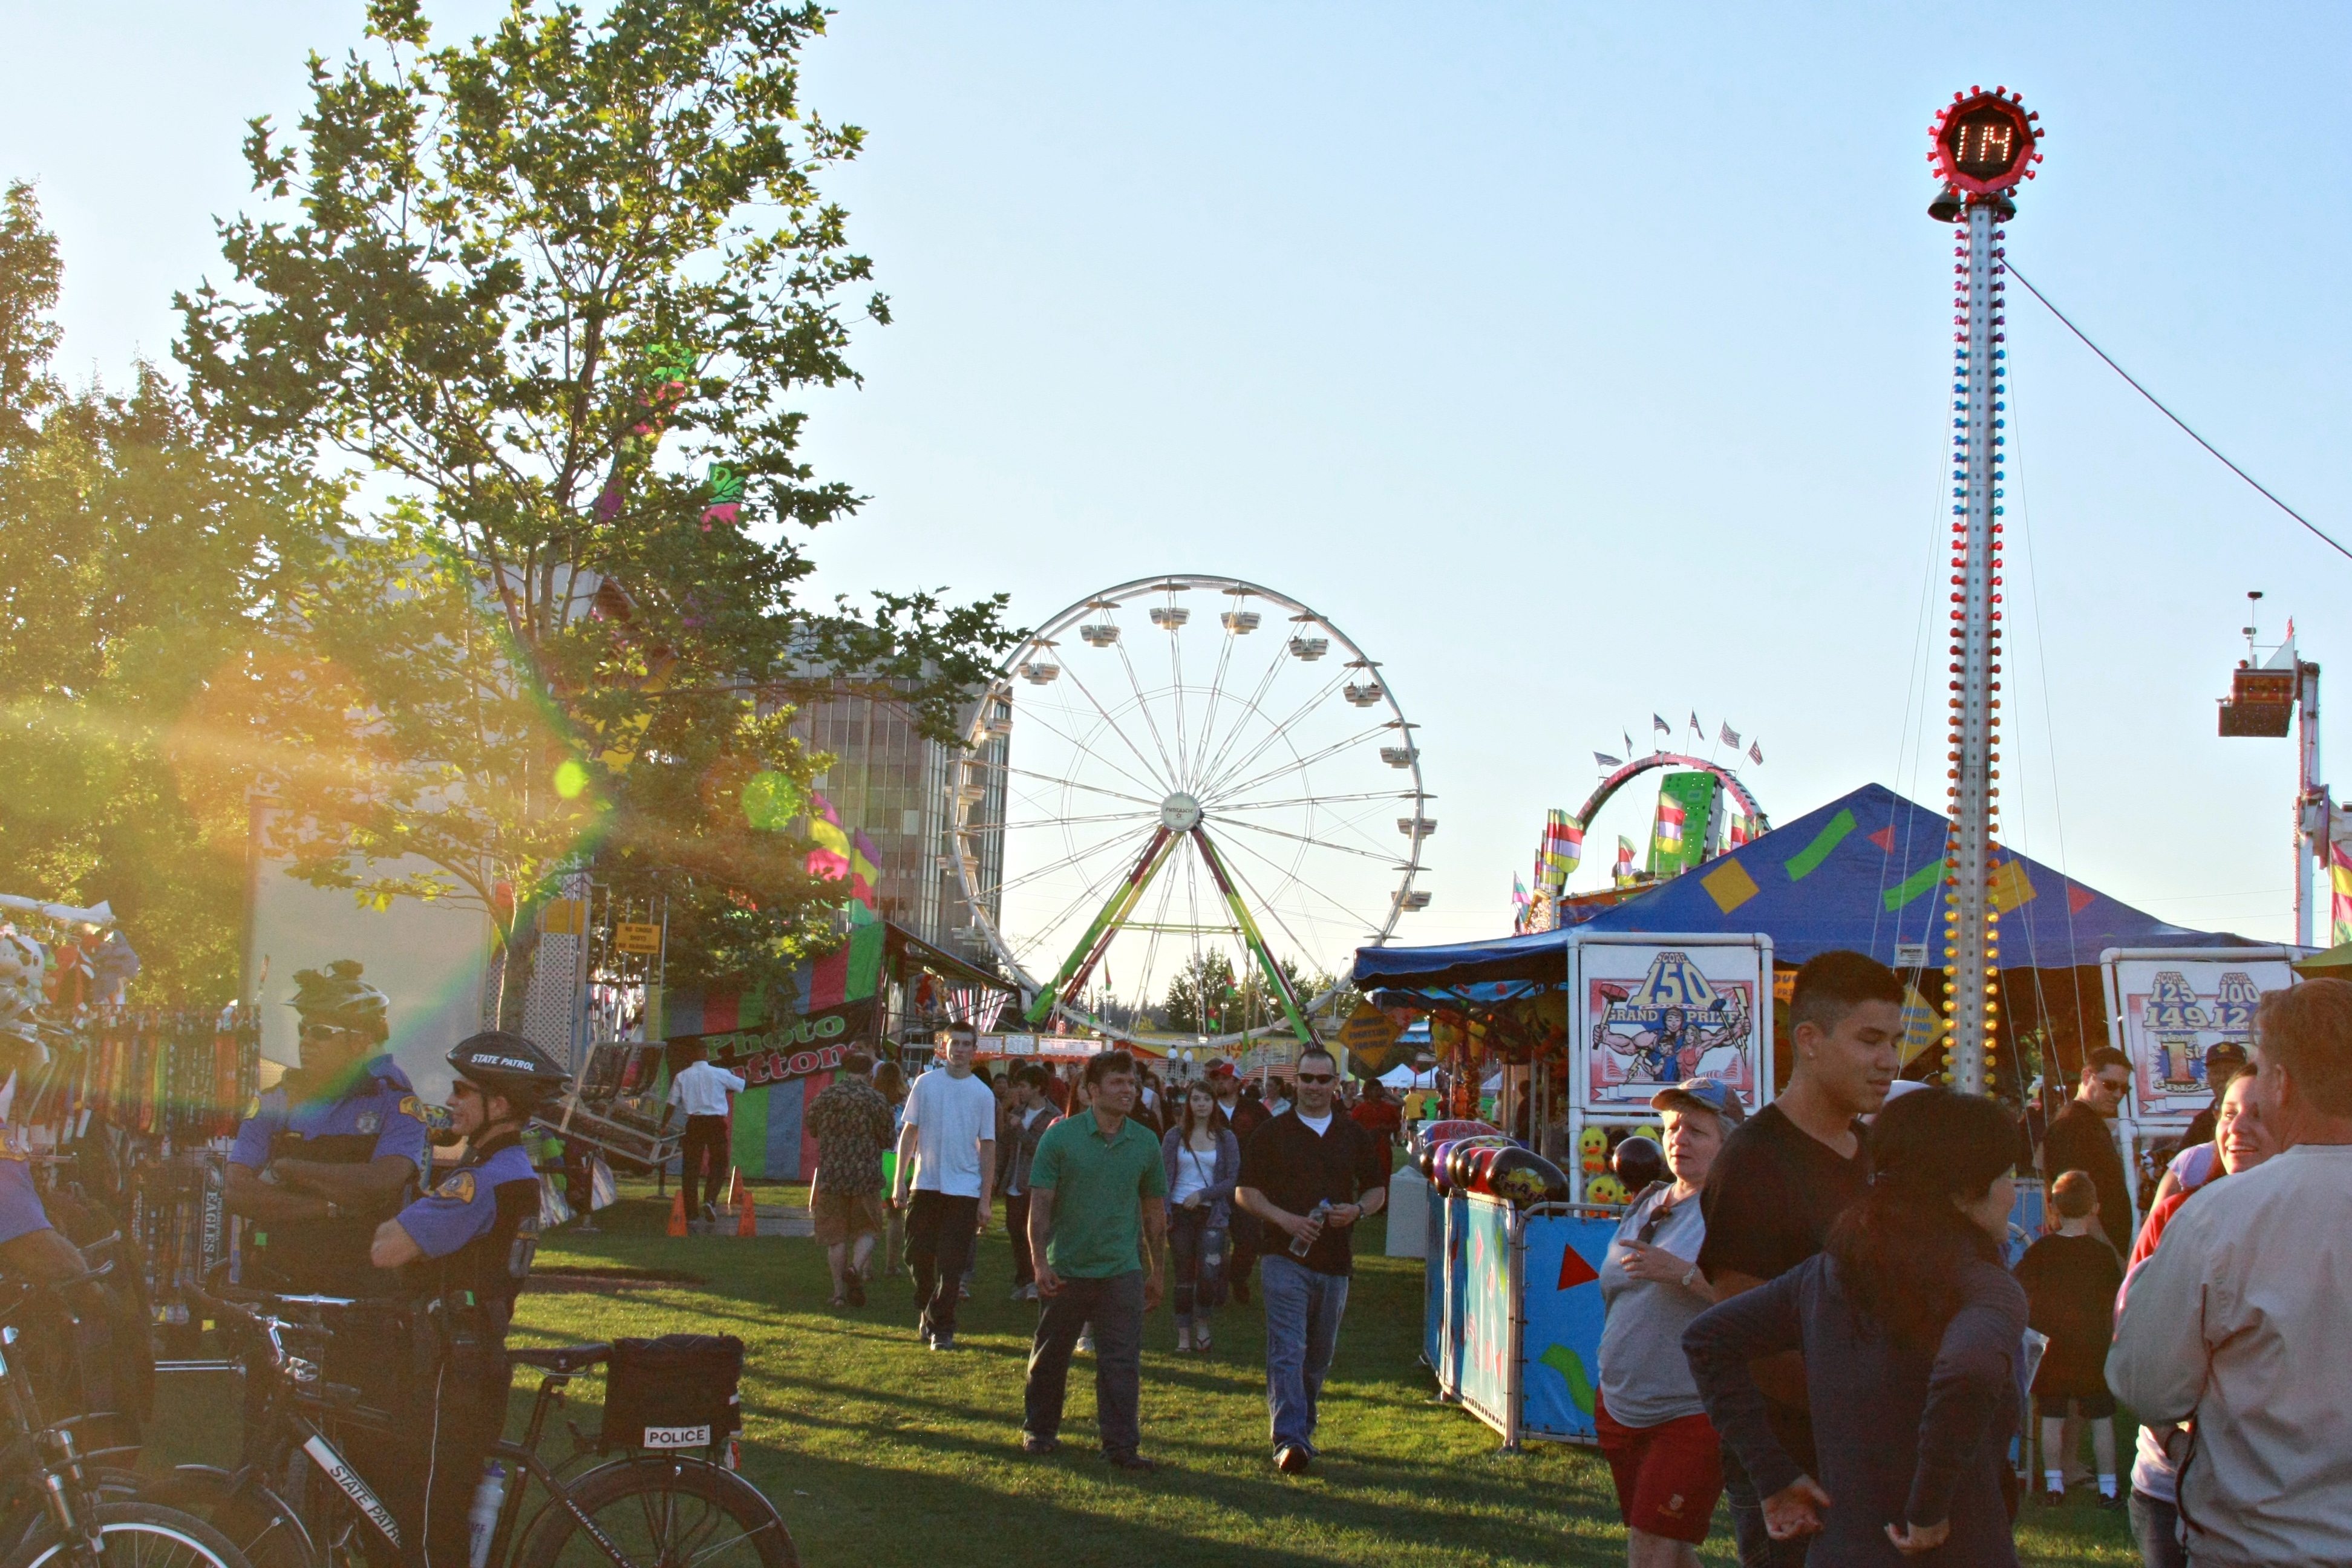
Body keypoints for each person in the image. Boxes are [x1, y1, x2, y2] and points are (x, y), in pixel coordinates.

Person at [1685, 1087, 2028, 1567]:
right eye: (2006, 1176)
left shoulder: (1826, 1275)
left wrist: (1773, 1473)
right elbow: (1967, 1370)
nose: (2015, 1194)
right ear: (1963, 1192)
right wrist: (1928, 1507)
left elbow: (1707, 1340)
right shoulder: (1983, 1287)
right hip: (1957, 1548)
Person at [2108, 979, 2352, 1567]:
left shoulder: (2219, 1216)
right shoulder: (2217, 1213)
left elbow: (2146, 1383)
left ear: (2282, 1083)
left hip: (2257, 1544)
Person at [1696, 949, 1900, 1567]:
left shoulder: (1876, 1153)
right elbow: (1744, 1335)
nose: (1890, 1062)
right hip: (1796, 1463)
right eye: (1870, 1040)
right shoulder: (1754, 1162)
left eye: (1895, 1041)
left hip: (1875, 1454)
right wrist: (1864, 1411)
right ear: (1809, 1040)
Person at [367, 1031, 569, 1568]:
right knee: (441, 1505)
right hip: (475, 1359)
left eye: (463, 1091)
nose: (451, 1100)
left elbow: (387, 1249)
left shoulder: (480, 1183)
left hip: (450, 1369)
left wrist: (390, 1198)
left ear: (498, 1105)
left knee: (430, 1520)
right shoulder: (510, 1170)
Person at [2114, 1064, 2273, 1568]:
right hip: (2170, 1481)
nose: (2237, 1128)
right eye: (2228, 1113)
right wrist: (2174, 1440)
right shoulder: (2180, 1211)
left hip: (2271, 1491)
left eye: (2258, 1114)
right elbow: (2132, 1332)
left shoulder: (2312, 1218)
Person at [1597, 1078, 1739, 1568]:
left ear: (1728, 1143)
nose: (1680, 1139)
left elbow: (1758, 1305)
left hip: (1691, 1409)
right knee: (1668, 1547)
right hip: (1622, 1400)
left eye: (1698, 1131)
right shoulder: (1649, 1201)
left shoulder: (1734, 1210)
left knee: (1650, 1549)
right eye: (1674, 1128)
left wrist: (1680, 1274)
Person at [227, 961, 431, 1294]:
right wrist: (329, 1207)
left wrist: (289, 1168)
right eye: (303, 1029)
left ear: (359, 1041)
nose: (306, 1041)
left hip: (360, 1284)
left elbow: (382, 1182)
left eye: (321, 1032)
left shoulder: (394, 1102)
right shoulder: (274, 1100)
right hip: (276, 1276)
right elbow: (237, 1191)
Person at [1236, 1044, 1389, 1475]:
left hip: (1335, 1261)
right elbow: (1244, 1192)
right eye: (1307, 1079)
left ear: (1336, 1085)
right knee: (1288, 1347)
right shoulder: (1272, 1133)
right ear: (1295, 1081)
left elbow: (1377, 1190)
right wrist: (1284, 1220)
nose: (1315, 1088)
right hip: (1282, 1257)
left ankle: (1303, 1426)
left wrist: (1357, 1211)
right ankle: (1289, 1439)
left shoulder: (1352, 1133)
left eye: (1324, 1080)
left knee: (1318, 1355)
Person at [1021, 1050, 1166, 1470]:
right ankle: (1040, 1431)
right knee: (1051, 1357)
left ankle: (1121, 1446)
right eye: (1118, 1082)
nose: (1129, 1090)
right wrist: (1039, 1263)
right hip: (1066, 1266)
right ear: (1090, 1092)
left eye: (1133, 1083)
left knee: (1121, 1362)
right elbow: (1041, 1206)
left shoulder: (1144, 1141)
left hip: (1122, 1270)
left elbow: (1154, 1211)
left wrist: (1158, 1271)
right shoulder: (1060, 1138)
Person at [2012, 1170, 2123, 1509]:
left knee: (2052, 1416)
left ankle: (2054, 1485)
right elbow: (2115, 1298)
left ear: (2054, 1208)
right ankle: (2109, 1488)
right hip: (2092, 1346)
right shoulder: (2102, 1256)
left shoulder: (2042, 1250)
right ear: (2095, 1208)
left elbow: (2019, 1288)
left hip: (2053, 1346)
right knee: (2102, 1418)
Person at [891, 1032, 996, 1350]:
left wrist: (985, 1199)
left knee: (951, 1265)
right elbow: (910, 1132)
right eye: (956, 1044)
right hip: (925, 1184)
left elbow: (989, 1146)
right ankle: (928, 1308)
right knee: (917, 1256)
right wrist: (900, 1180)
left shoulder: (982, 1094)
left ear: (974, 1051)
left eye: (967, 1045)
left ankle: (943, 1328)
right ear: (945, 1047)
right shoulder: (926, 1084)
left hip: (964, 1189)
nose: (961, 1050)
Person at [806, 1050, 893, 1308]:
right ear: (869, 1073)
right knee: (868, 1229)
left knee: (835, 1237)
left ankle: (839, 1294)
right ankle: (855, 1268)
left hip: (833, 1175)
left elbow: (811, 1127)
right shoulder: (877, 1100)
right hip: (865, 1176)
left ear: (846, 1071)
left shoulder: (827, 1096)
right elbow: (888, 1140)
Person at [1161, 1082, 1240, 1353]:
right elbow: (1164, 1176)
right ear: (1189, 1103)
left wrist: (1204, 1194)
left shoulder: (1226, 1138)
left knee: (1209, 1274)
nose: (1201, 1104)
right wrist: (1166, 1210)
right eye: (1196, 1099)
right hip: (1179, 1212)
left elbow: (1232, 1179)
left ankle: (1203, 1324)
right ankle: (1183, 1336)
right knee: (1183, 1275)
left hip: (1212, 1214)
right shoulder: (1174, 1136)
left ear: (1214, 1104)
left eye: (1207, 1099)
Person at [2040, 1047, 2133, 1255]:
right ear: (2086, 1076)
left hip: (2094, 1251)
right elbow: (2074, 1203)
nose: (2118, 1094)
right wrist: (2110, 1256)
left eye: (2125, 1089)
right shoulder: (2073, 1124)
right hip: (2087, 1255)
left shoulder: (2086, 1122)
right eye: (2110, 1085)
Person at [2145, 1041, 2249, 1209]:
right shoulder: (2201, 1123)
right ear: (2208, 1077)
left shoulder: (2266, 1115)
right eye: (2216, 1072)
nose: (2223, 1077)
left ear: (2243, 1073)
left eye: (2230, 1070)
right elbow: (2180, 1175)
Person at [661, 1040, 744, 1229]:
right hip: (716, 1123)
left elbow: (671, 1104)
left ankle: (691, 1214)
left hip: (695, 1123)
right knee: (719, 1163)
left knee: (691, 1168)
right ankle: (710, 1200)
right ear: (707, 1054)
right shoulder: (720, 1073)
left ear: (691, 1056)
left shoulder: (682, 1076)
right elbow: (742, 1085)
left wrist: (663, 1125)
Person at [1209, 1062, 1269, 1305]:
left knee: (1249, 1240)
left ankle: (1238, 1277)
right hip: (1213, 1184)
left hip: (1247, 1184)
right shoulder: (1207, 1108)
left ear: (1237, 1083)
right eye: (1217, 1079)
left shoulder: (1254, 1109)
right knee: (1212, 1240)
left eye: (1224, 1079)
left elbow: (1271, 1138)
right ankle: (1215, 1288)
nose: (1219, 1083)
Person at [1001, 1065, 1053, 1302]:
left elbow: (1042, 1150)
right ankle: (1023, 1278)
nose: (1018, 1090)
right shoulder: (1017, 1112)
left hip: (1036, 1184)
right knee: (1015, 1230)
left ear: (1038, 1088)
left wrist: (1019, 1130)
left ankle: (1035, 1280)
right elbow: (1004, 1146)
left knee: (1035, 1233)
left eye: (1023, 1086)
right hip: (1013, 1181)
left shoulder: (1053, 1116)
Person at [1350, 1081, 1402, 1169]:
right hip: (1365, 1151)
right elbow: (1351, 1128)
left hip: (1384, 1151)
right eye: (1376, 1090)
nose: (1379, 1093)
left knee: (1384, 1180)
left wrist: (1386, 1128)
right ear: (1369, 1092)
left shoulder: (1389, 1108)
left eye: (1381, 1090)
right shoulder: (1360, 1109)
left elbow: (1398, 1126)